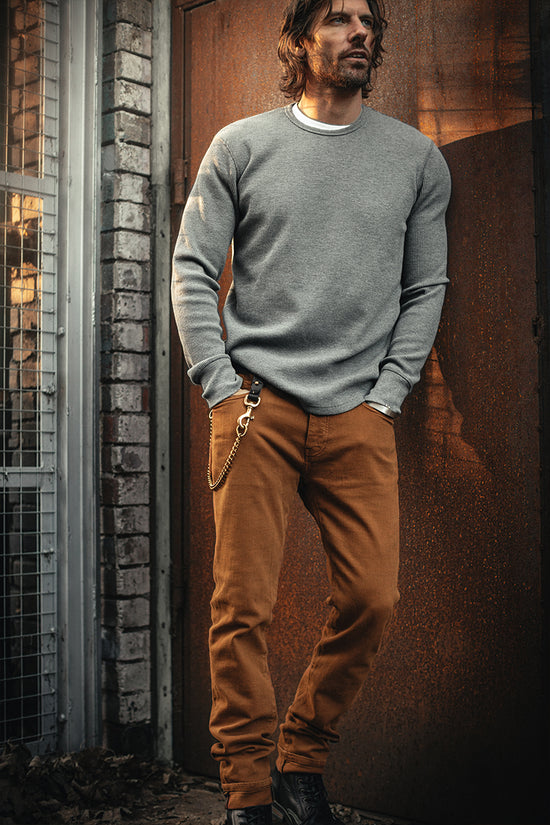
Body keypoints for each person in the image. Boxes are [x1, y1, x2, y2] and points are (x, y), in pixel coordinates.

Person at [171, 1, 451, 824]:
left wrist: (389, 392)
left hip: (359, 411)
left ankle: (301, 759)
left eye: (367, 20)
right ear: (299, 40)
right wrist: (218, 382)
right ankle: (248, 797)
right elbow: (192, 269)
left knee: (373, 596)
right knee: (241, 609)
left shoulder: (416, 158)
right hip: (254, 408)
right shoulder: (241, 146)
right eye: (337, 18)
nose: (359, 31)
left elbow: (426, 288)